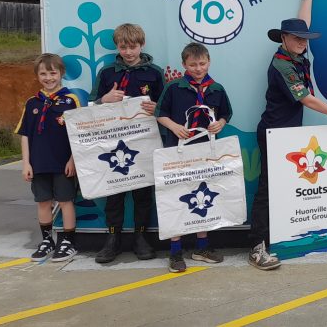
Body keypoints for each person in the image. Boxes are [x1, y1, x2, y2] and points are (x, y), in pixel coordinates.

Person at [248, 0, 327, 270]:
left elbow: (304, 23)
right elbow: (307, 99)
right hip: (274, 132)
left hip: (289, 134)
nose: (303, 42)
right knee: (267, 190)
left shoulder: (297, 52)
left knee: (287, 188)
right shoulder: (282, 65)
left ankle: (286, 239)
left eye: (305, 38)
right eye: (297, 38)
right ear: (284, 38)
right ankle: (257, 246)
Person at [155, 42, 233, 272]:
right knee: (176, 196)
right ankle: (175, 250)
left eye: (202, 63)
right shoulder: (173, 88)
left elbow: (226, 113)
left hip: (206, 154)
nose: (198, 68)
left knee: (204, 196)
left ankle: (201, 246)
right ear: (184, 65)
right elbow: (160, 113)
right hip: (177, 152)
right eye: (192, 64)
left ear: (209, 62)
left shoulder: (217, 88)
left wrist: (220, 123)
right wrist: (175, 127)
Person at [93, 23, 163, 263]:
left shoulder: (154, 73)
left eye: (133, 47)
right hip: (113, 144)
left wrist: (157, 107)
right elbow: (92, 105)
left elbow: (164, 106)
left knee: (142, 192)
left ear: (141, 45)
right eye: (124, 47)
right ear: (117, 47)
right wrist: (105, 99)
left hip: (143, 142)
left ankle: (140, 238)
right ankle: (113, 239)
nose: (129, 52)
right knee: (114, 192)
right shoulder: (107, 73)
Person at [17, 53, 81, 263]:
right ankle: (47, 241)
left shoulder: (71, 101)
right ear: (37, 76)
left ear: (61, 73)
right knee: (42, 202)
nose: (48, 78)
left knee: (65, 201)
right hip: (38, 164)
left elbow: (79, 134)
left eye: (53, 73)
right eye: (43, 73)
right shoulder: (32, 102)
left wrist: (72, 160)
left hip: (63, 164)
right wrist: (26, 163)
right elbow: (25, 134)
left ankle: (68, 241)